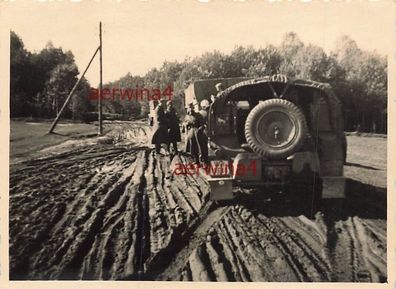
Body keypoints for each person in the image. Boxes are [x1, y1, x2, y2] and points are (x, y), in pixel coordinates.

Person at [197, 99, 210, 164]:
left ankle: (202, 156)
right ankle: (206, 156)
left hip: (201, 131)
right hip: (207, 130)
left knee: (201, 144)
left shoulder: (199, 113)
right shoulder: (209, 112)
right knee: (205, 144)